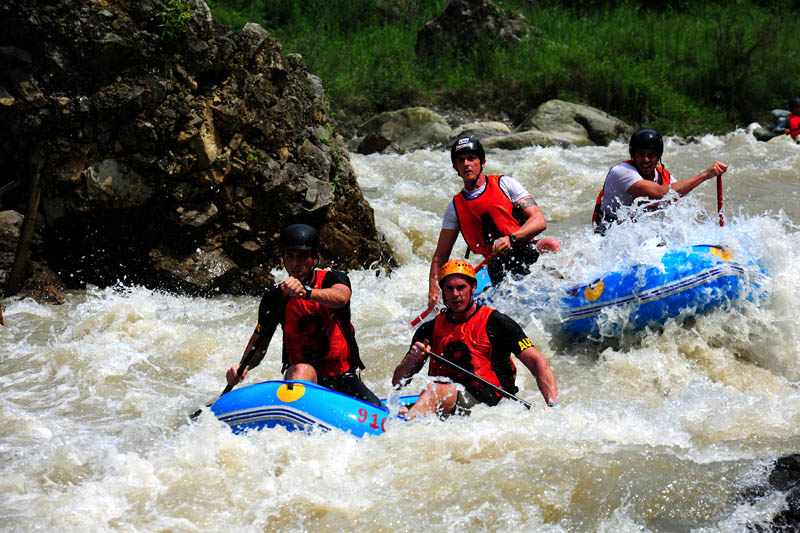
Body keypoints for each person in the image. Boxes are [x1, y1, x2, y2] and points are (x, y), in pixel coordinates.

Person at [225, 223, 382, 406]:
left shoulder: (334, 279)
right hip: (301, 379)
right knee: (301, 370)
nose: (295, 264)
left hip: (342, 378)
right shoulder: (274, 299)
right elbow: (258, 346)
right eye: (289, 257)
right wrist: (242, 367)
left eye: (302, 257)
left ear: (315, 259)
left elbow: (341, 298)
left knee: (384, 419)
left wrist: (305, 293)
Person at [394, 259, 559, 419]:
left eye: (461, 288)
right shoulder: (428, 329)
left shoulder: (497, 322)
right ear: (443, 291)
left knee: (434, 393)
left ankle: (404, 430)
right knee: (401, 409)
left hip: (491, 405)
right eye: (449, 288)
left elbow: (538, 363)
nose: (455, 294)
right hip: (446, 400)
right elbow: (397, 384)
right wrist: (411, 361)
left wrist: (552, 405)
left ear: (473, 287)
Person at [427, 136, 561, 311]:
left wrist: (512, 238)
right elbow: (440, 256)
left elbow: (539, 221)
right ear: (455, 168)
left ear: (482, 162)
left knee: (551, 244)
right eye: (461, 160)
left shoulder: (505, 183)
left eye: (471, 158)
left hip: (527, 250)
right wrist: (434, 291)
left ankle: (568, 288)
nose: (466, 164)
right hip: (497, 266)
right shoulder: (455, 208)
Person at [592, 128, 729, 235]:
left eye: (651, 155)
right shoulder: (621, 171)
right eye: (641, 154)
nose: (646, 160)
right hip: (609, 236)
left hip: (635, 233)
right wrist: (705, 175)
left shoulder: (663, 176)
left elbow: (676, 198)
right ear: (633, 155)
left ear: (658, 156)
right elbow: (661, 194)